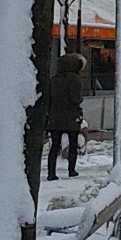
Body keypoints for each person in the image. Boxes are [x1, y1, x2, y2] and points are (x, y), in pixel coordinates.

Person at [47, 52, 86, 180]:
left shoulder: (54, 79)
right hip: (70, 116)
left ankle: (51, 173)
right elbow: (75, 98)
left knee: (55, 146)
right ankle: (71, 170)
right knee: (73, 143)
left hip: (55, 116)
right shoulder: (75, 79)